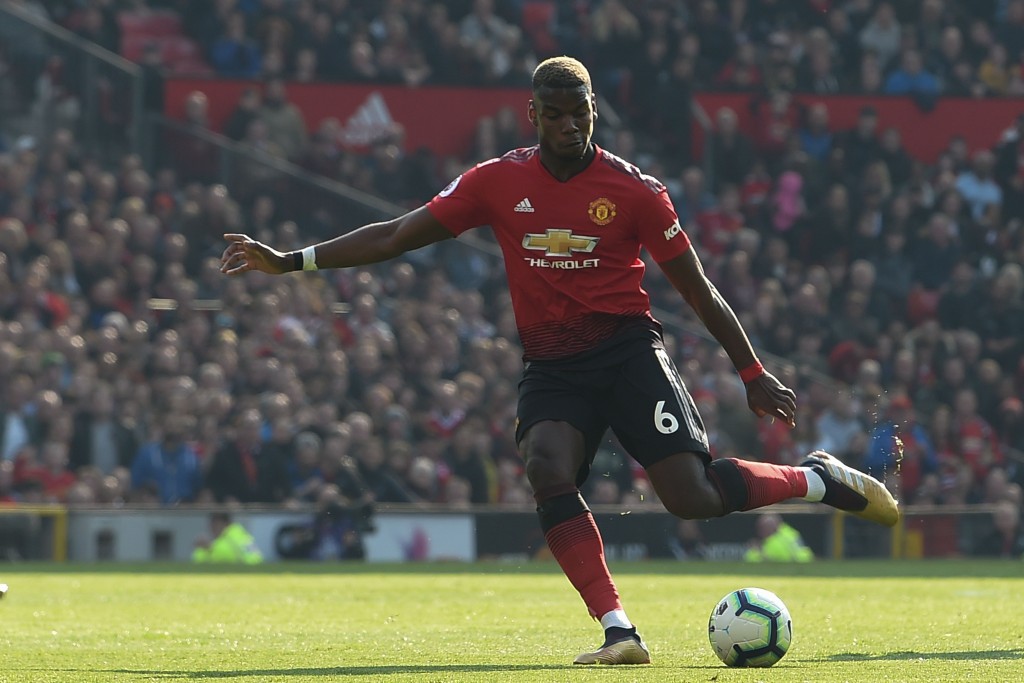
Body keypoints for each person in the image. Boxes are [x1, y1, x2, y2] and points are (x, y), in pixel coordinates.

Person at [221, 56, 899, 666]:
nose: (570, 125)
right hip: (552, 366)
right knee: (545, 465)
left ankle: (817, 480)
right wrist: (293, 260)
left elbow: (698, 288)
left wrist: (752, 372)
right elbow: (399, 234)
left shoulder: (636, 190)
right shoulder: (496, 181)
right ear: (534, 115)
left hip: (629, 351)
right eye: (556, 114)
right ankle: (619, 631)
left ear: (595, 111)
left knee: (691, 499)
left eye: (581, 112)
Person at [192, 511, 264, 564]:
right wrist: (204, 550)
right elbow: (197, 560)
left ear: (226, 523)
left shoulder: (236, 534)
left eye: (216, 523)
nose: (212, 527)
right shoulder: (214, 541)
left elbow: (232, 555)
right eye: (211, 523)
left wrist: (210, 548)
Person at [743, 512, 814, 562]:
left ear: (774, 526)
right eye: (760, 528)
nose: (761, 531)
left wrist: (757, 551)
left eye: (764, 527)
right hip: (803, 563)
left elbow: (770, 561)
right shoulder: (790, 532)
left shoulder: (779, 539)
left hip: (796, 568)